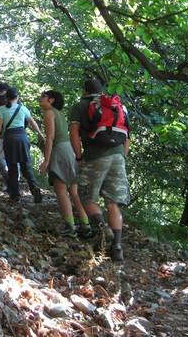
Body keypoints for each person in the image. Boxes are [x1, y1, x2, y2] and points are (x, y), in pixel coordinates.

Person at [69, 79, 130, 261]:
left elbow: (74, 133)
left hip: (95, 156)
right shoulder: (118, 106)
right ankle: (117, 246)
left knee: (87, 197)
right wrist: (122, 157)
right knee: (113, 203)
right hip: (118, 156)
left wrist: (79, 156)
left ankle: (104, 230)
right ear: (101, 90)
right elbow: (127, 137)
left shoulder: (80, 105)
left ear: (83, 90)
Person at [38, 90, 90, 237]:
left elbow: (50, 138)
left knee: (61, 190)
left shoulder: (49, 113)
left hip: (60, 151)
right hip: (69, 151)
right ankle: (85, 224)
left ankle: (70, 226)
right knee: (73, 191)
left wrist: (46, 160)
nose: (40, 98)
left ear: (51, 100)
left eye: (43, 96)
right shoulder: (59, 114)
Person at [0, 87, 44, 203]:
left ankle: (15, 195)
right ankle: (34, 189)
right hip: (22, 137)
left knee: (12, 167)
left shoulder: (1, 109)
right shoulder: (23, 108)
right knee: (26, 166)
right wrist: (40, 133)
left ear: (6, 98)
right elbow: (32, 122)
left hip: (9, 138)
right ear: (17, 97)